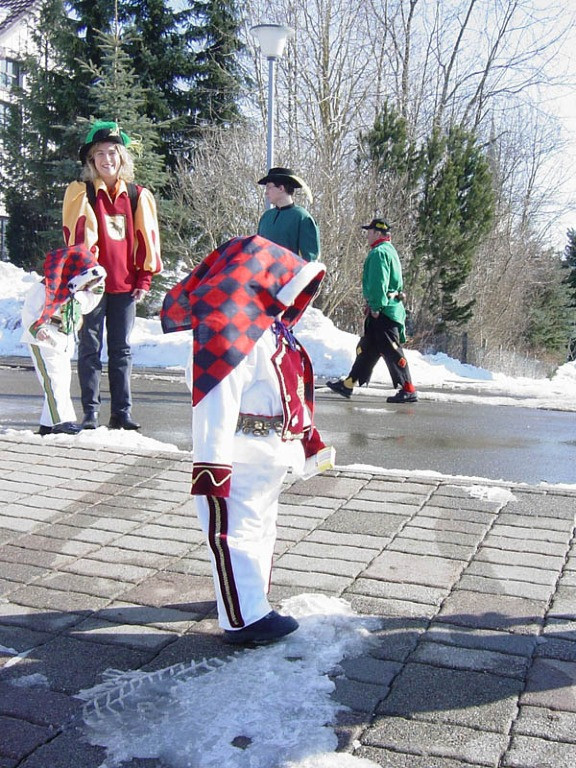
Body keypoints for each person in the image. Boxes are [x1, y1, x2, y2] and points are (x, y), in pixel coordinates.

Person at [161, 234, 334, 645]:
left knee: (259, 530)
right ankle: (244, 619)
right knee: (234, 534)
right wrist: (212, 467)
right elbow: (213, 404)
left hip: (269, 452)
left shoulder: (270, 330)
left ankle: (243, 594)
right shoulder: (227, 332)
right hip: (239, 454)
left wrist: (305, 441)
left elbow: (289, 391)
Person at [62, 120, 162, 431]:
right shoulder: (81, 193)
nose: (107, 160)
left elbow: (148, 238)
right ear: (91, 161)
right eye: (100, 154)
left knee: (121, 350)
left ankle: (122, 412)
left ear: (122, 158)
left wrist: (144, 279)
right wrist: (82, 280)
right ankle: (90, 412)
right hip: (92, 287)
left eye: (113, 153)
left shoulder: (137, 195)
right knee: (89, 349)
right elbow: (76, 239)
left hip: (125, 286)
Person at [326, 218, 418, 403]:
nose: (367, 235)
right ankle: (349, 383)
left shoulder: (378, 253)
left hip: (384, 310)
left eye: (369, 231)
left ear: (377, 233)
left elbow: (378, 283)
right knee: (367, 349)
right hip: (389, 307)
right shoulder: (389, 250)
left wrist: (376, 306)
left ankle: (408, 388)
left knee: (392, 350)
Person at [21, 245, 107, 435]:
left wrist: (96, 287)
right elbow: (29, 312)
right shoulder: (44, 287)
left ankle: (47, 423)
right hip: (44, 338)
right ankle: (62, 421)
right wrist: (38, 328)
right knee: (54, 380)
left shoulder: (75, 291)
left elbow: (86, 306)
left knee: (60, 380)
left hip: (64, 337)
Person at [257, 167, 320, 262]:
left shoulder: (302, 217)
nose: (266, 193)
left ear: (281, 188)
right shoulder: (266, 217)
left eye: (269, 187)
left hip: (291, 275)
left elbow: (310, 260)